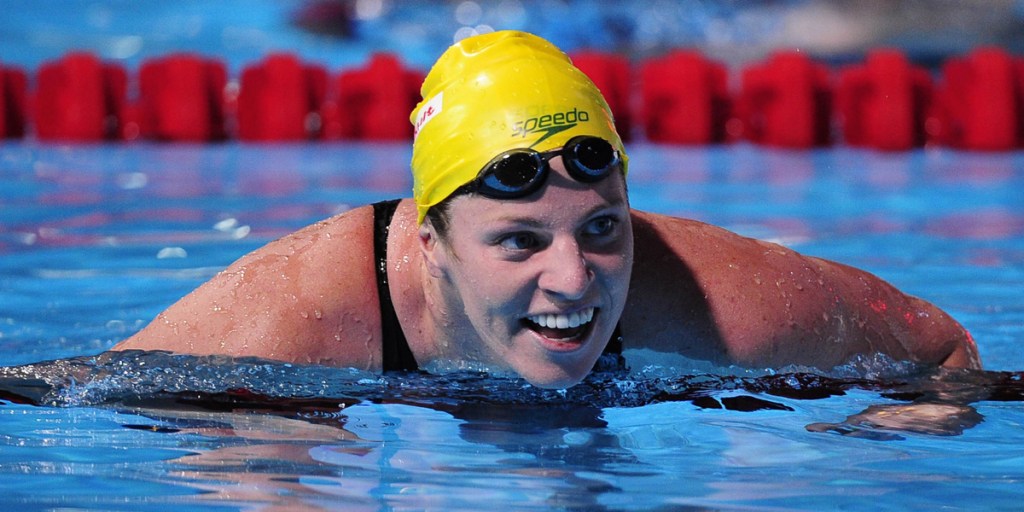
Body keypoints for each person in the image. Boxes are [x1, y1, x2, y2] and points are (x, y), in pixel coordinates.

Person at [114, 30, 981, 389]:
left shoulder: (724, 301)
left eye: (603, 228)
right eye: (520, 240)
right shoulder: (290, 320)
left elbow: (941, 353)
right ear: (433, 240)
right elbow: (72, 400)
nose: (574, 282)